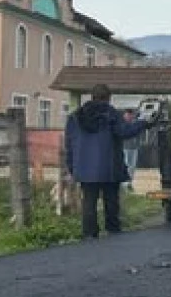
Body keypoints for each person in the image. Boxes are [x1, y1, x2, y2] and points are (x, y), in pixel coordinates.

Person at [64, 84, 149, 239]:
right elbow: (124, 132)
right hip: (109, 166)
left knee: (89, 202)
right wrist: (142, 123)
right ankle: (113, 230)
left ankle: (89, 234)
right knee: (111, 200)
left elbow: (69, 144)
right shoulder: (111, 115)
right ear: (108, 98)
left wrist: (71, 167)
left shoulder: (75, 117)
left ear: (92, 96)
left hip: (84, 169)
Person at [121, 109, 141, 191]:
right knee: (125, 165)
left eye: (130, 115)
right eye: (127, 115)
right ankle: (124, 184)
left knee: (132, 166)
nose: (129, 117)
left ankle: (129, 183)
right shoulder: (121, 124)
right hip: (124, 147)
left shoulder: (134, 124)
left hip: (134, 148)